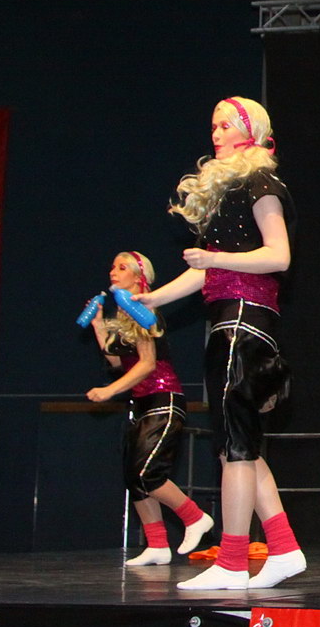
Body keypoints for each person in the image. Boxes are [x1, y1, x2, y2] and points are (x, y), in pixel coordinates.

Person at [137, 97, 304, 591]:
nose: (216, 132)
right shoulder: (233, 192)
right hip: (232, 320)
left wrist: (213, 260)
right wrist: (153, 299)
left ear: (251, 130)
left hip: (245, 323)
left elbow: (278, 256)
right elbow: (206, 270)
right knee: (242, 446)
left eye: (226, 124)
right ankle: (285, 548)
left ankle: (232, 560)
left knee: (234, 448)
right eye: (213, 124)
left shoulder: (262, 184)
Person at [83, 251, 214, 566]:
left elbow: (147, 364)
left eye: (122, 267)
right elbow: (118, 361)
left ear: (138, 276)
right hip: (141, 403)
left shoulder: (144, 309)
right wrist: (99, 325)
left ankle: (195, 517)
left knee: (148, 472)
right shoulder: (124, 315)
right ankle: (157, 544)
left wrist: (110, 390)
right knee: (134, 476)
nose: (113, 271)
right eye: (112, 266)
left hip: (162, 398)